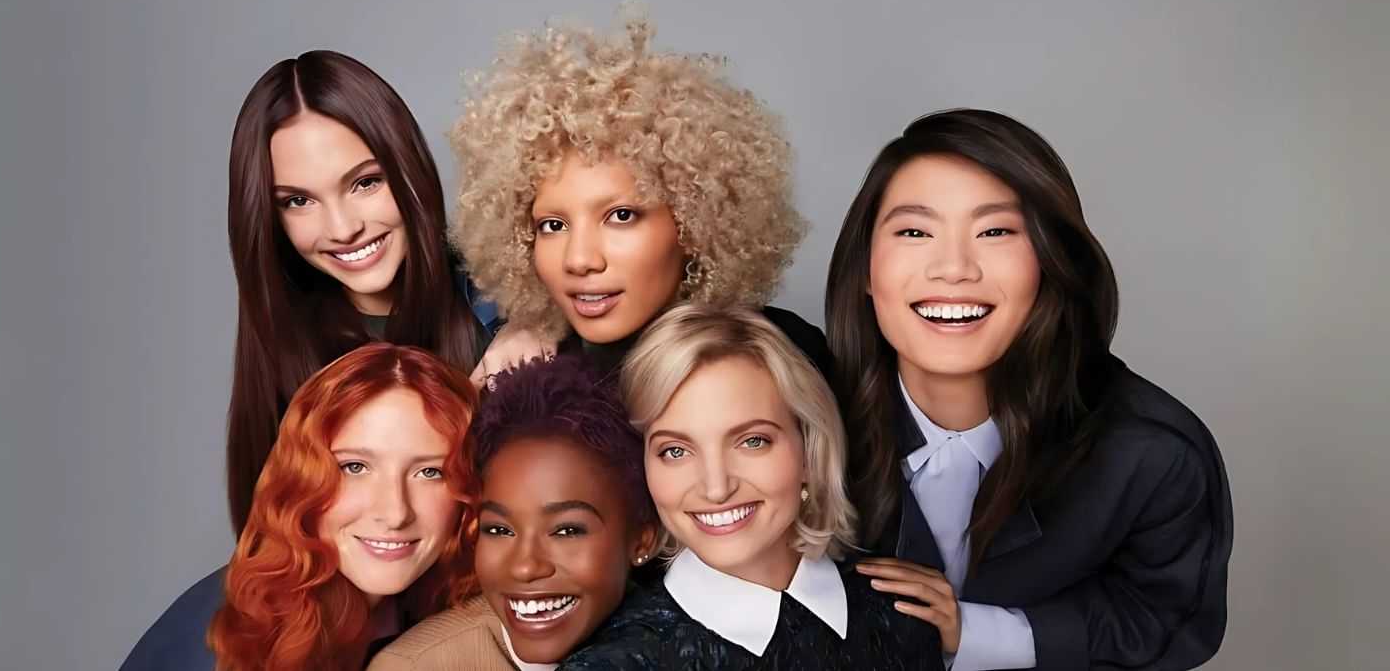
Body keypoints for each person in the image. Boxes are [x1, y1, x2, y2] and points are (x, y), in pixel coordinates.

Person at [121, 51, 544, 670]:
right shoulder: (289, 350)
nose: (343, 226)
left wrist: (540, 319)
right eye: (298, 200)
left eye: (364, 182)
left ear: (409, 174)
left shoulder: (505, 311)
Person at [825, 109, 1232, 670]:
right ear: (866, 270)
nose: (954, 269)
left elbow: (1166, 620)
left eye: (995, 231)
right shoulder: (796, 418)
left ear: (1049, 261)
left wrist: (976, 632)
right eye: (915, 231)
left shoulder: (1151, 453)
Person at [449, 5, 829, 378]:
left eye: (621, 216)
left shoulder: (784, 361)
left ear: (694, 223)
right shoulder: (523, 375)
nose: (579, 260)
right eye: (552, 225)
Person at [560, 305, 943, 670]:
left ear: (809, 449)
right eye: (675, 450)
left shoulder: (904, 615)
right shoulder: (614, 662)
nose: (716, 487)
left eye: (752, 441)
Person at [370, 354, 659, 670]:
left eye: (566, 531)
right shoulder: (413, 666)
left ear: (642, 539)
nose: (525, 567)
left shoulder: (689, 646)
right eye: (499, 530)